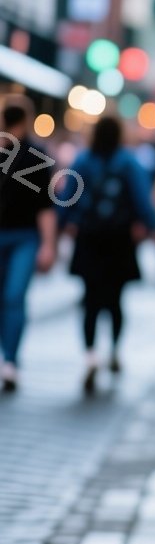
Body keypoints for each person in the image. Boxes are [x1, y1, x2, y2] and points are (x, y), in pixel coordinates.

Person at [63, 115, 155, 394]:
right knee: (116, 300)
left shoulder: (82, 160)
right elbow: (143, 200)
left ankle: (90, 355)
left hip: (89, 238)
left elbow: (67, 196)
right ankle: (115, 351)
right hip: (119, 240)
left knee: (90, 300)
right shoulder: (129, 162)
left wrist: (62, 227)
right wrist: (154, 229)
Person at [0, 96, 58, 393]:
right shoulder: (36, 153)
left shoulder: (33, 154)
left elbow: (44, 205)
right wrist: (49, 245)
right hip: (24, 235)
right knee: (12, 298)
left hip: (22, 236)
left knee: (11, 297)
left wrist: (48, 244)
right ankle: (9, 360)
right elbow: (46, 207)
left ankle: (9, 360)